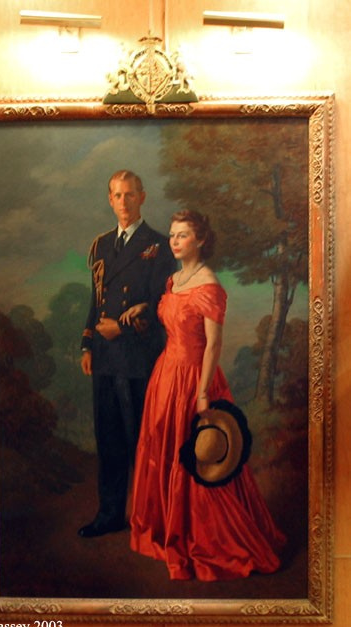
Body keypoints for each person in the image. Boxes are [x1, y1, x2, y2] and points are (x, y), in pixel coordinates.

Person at [127, 209, 286, 581]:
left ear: (200, 240)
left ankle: (203, 535)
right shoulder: (175, 279)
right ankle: (168, 525)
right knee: (162, 449)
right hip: (165, 376)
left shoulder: (210, 285)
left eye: (182, 235)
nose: (174, 241)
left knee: (198, 455)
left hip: (194, 378)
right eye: (172, 235)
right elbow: (173, 318)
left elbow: (213, 345)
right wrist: (145, 309)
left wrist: (201, 394)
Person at [78, 170, 176, 538]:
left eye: (130, 195)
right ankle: (110, 514)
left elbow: (162, 303)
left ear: (142, 197)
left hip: (139, 356)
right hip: (105, 356)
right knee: (109, 439)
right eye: (117, 195)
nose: (123, 202)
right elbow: (96, 299)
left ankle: (154, 519)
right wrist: (88, 343)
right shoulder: (101, 244)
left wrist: (124, 328)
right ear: (110, 199)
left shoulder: (159, 245)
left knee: (143, 442)